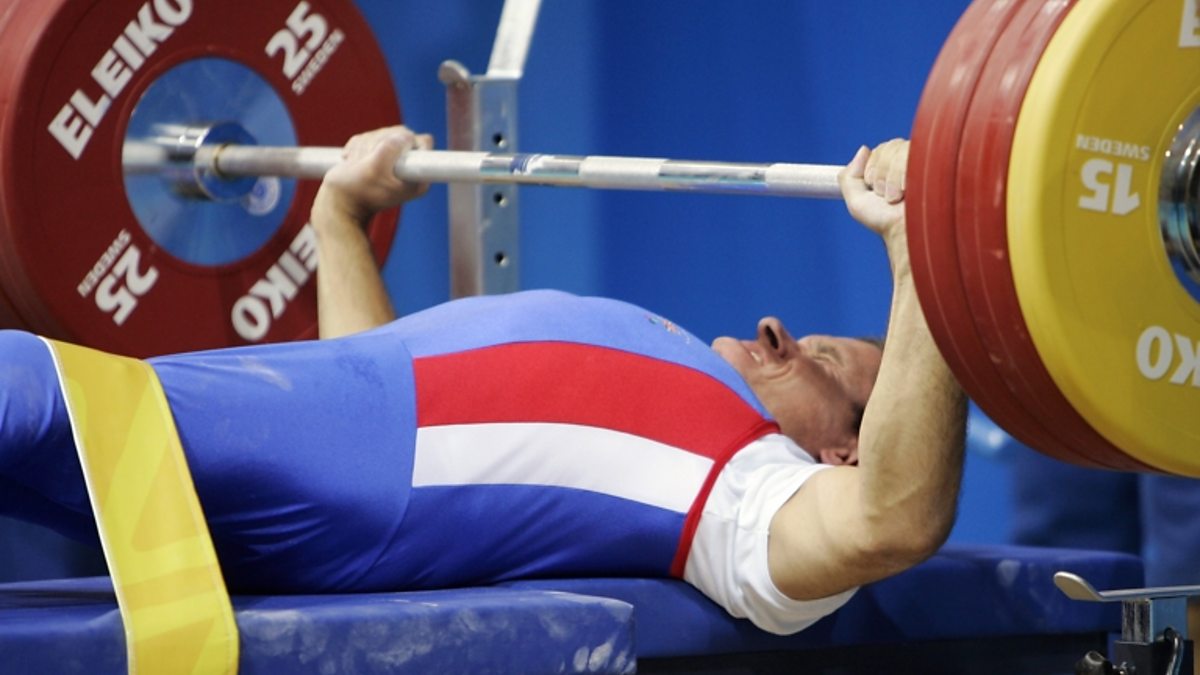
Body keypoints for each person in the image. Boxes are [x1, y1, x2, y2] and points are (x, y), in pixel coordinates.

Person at [0, 128, 966, 636]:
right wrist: (339, 219)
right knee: (36, 423)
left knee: (30, 395)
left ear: (842, 451)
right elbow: (389, 374)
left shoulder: (753, 497)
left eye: (832, 364)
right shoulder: (676, 369)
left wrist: (927, 255)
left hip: (348, 465)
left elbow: (893, 520)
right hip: (338, 412)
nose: (778, 331)